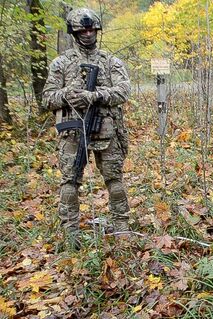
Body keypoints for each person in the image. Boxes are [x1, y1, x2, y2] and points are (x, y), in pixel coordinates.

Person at [43, 8, 131, 249]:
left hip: (106, 129)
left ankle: (122, 228)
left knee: (114, 180)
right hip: (72, 133)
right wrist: (68, 95)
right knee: (70, 182)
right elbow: (47, 97)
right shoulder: (61, 63)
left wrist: (95, 95)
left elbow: (123, 91)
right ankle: (70, 234)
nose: (88, 34)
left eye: (92, 29)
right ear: (74, 31)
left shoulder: (110, 61)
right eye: (83, 30)